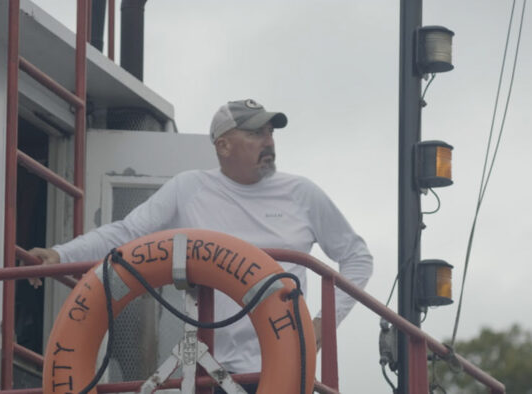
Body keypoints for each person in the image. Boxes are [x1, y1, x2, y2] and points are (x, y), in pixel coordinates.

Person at [29, 99, 373, 393]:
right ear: (223, 145)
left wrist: (320, 324)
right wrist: (61, 254)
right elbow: (125, 235)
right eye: (255, 133)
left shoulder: (302, 194)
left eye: (271, 133)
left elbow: (357, 258)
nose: (268, 142)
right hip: (210, 370)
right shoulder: (189, 188)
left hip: (283, 365)